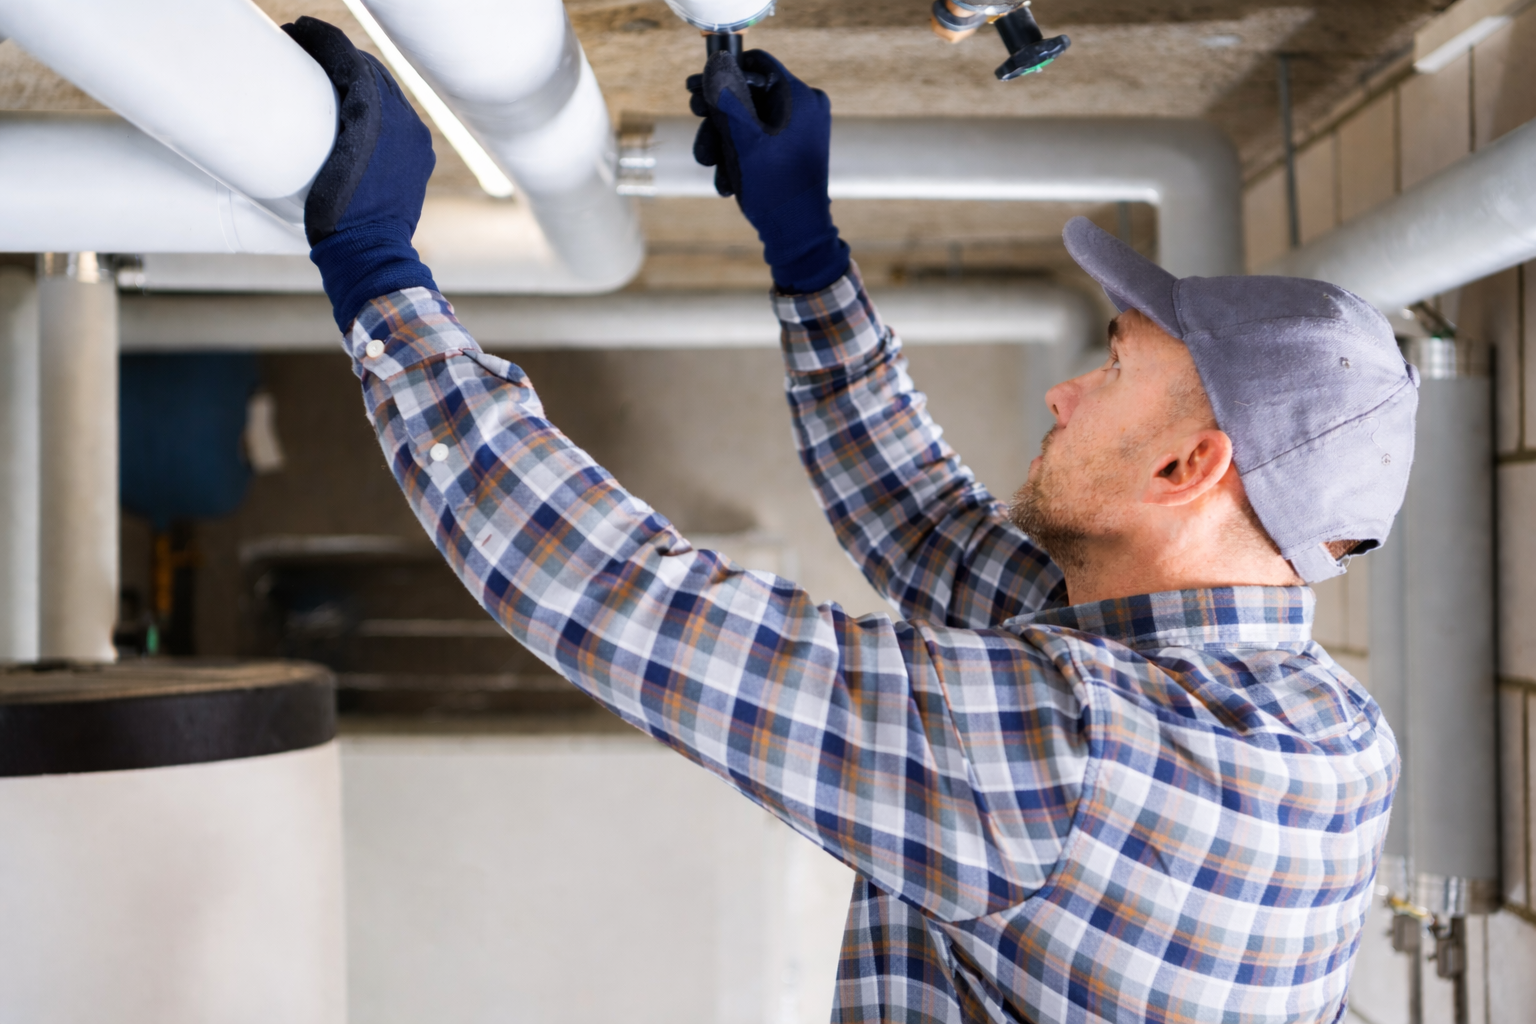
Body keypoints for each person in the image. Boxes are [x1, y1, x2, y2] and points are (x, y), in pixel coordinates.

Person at [283, 19, 1415, 1024]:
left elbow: (625, 602)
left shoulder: (1078, 763)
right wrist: (806, 248)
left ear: (1188, 463)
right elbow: (925, 531)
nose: (1065, 392)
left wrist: (381, 278)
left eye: (1114, 368)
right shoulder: (1320, 725)